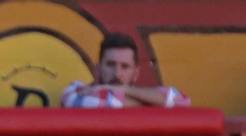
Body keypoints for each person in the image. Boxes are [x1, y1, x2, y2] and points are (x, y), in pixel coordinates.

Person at [61, 33, 189, 108]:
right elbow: (80, 102)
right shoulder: (76, 89)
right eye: (110, 65)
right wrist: (149, 103)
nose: (117, 73)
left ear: (136, 74)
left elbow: (182, 100)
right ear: (98, 69)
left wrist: (121, 89)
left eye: (125, 67)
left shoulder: (138, 94)